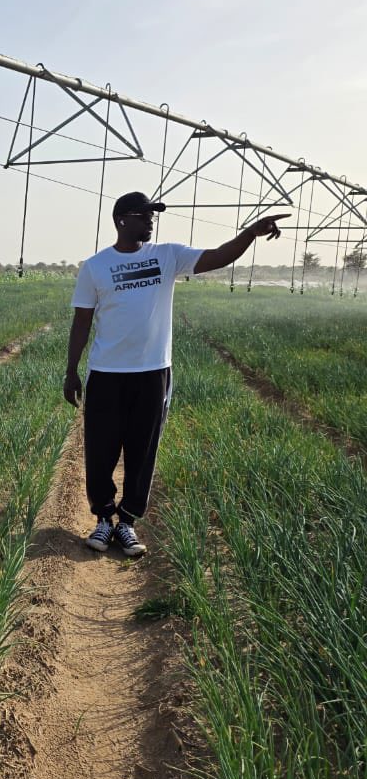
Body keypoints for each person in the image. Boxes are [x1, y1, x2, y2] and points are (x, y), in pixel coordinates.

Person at [64, 191, 287, 557]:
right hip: (106, 373)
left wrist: (249, 233)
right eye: (144, 215)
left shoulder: (166, 256)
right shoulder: (95, 267)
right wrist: (71, 371)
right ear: (122, 219)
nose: (151, 222)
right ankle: (104, 520)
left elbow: (218, 256)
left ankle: (128, 523)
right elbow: (81, 321)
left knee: (143, 450)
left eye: (153, 216)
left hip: (152, 374)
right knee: (101, 450)